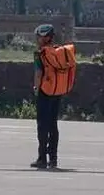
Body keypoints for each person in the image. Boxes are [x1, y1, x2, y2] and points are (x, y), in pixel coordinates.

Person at [31, 23, 76, 169]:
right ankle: (53, 159)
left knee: (42, 125)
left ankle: (42, 158)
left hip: (45, 91)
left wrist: (36, 88)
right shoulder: (60, 52)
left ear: (44, 38)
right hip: (57, 91)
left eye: (38, 37)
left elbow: (38, 73)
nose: (37, 39)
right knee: (53, 125)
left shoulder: (40, 53)